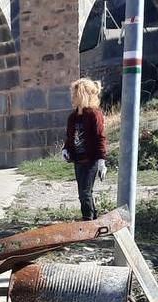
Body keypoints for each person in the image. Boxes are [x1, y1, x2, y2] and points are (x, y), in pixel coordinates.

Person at [62, 78, 108, 222]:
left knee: (84, 192)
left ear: (83, 95)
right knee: (85, 191)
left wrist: (101, 161)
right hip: (78, 159)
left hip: (91, 160)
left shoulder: (94, 114)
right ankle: (93, 218)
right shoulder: (72, 117)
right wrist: (65, 149)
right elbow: (70, 137)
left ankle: (87, 220)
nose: (72, 98)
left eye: (75, 95)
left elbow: (100, 137)